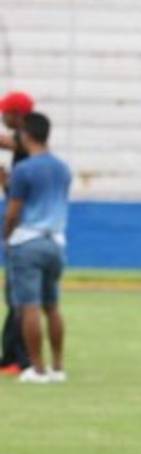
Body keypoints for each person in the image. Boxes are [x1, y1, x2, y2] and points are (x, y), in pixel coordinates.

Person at [3, 112, 71, 384]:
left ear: (27, 135)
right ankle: (57, 366)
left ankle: (37, 368)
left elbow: (14, 211)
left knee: (28, 307)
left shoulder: (24, 169)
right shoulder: (62, 168)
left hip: (28, 241)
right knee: (52, 306)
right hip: (55, 241)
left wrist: (6, 236)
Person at [0, 89, 34, 375]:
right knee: (14, 296)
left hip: (23, 231)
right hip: (25, 230)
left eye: (5, 113)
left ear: (18, 115)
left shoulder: (26, 145)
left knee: (18, 297)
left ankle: (19, 359)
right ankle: (12, 356)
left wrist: (3, 181)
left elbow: (18, 199)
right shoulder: (27, 147)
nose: (2, 117)